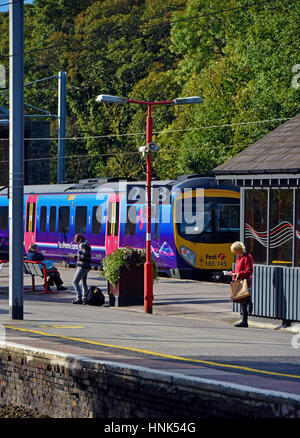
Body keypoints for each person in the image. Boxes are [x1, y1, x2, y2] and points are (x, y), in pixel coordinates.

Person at [229, 241, 254, 328]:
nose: (235, 253)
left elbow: (249, 271)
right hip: (239, 280)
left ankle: (244, 321)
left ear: (239, 250)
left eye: (236, 251)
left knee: (243, 301)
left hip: (245, 281)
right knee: (241, 300)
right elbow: (238, 269)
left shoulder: (247, 257)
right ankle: (244, 320)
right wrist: (231, 273)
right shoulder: (240, 257)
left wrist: (238, 274)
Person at [72, 234, 91, 304]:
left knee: (75, 282)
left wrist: (77, 257)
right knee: (83, 282)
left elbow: (84, 256)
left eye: (77, 241)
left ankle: (79, 298)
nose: (77, 243)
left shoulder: (84, 245)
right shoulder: (85, 244)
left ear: (80, 239)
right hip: (85, 266)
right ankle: (85, 298)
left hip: (83, 266)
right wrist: (76, 256)